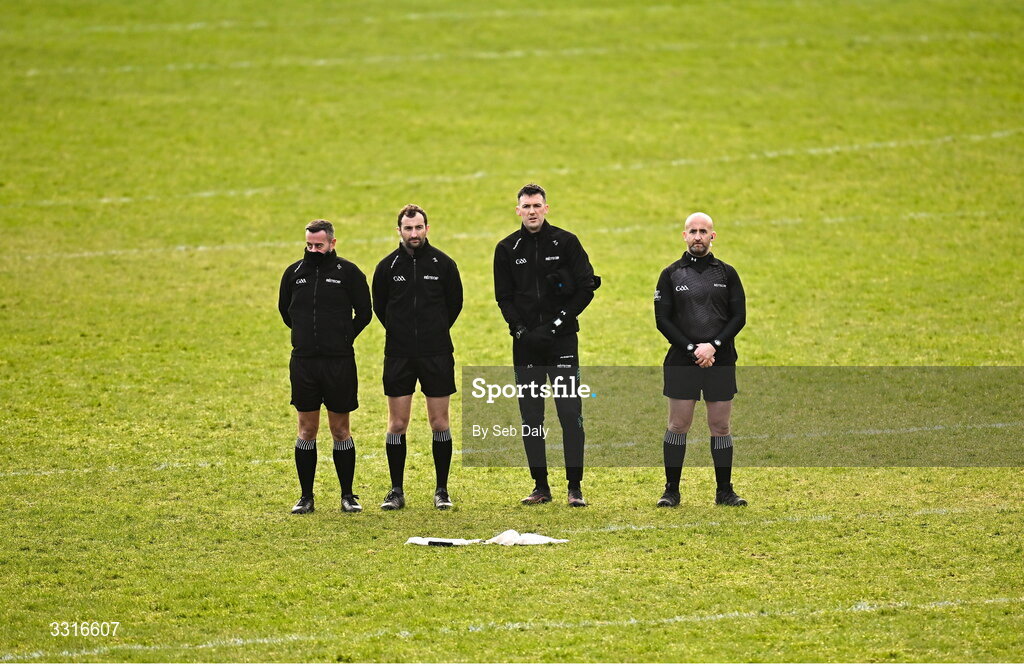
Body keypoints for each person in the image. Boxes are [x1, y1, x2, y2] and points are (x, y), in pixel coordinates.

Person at [493, 183, 599, 507]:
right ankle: (540, 486)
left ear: (546, 208)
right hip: (526, 345)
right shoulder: (506, 249)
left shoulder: (566, 242)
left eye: (537, 205)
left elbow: (587, 287)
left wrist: (556, 323)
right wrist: (522, 331)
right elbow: (504, 297)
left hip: (562, 341)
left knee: (570, 413)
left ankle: (575, 487)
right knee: (531, 417)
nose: (532, 211)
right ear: (518, 211)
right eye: (526, 206)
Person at [372, 205, 463, 510]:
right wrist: (402, 334)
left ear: (427, 228)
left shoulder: (444, 265)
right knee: (397, 423)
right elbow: (380, 307)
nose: (414, 234)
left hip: (437, 353)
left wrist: (433, 332)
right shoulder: (387, 268)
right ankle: (396, 491)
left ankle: (442, 491)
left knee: (439, 422)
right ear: (398, 231)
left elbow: (455, 304)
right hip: (398, 355)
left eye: (418, 228)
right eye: (408, 228)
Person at [653, 211, 747, 507]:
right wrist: (693, 349)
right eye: (692, 231)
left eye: (703, 231)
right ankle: (671, 491)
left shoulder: (727, 273)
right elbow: (662, 319)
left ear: (712, 236)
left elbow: (739, 316)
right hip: (682, 361)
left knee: (720, 426)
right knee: (678, 425)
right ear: (684, 235)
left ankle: (724, 491)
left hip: (721, 360)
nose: (697, 236)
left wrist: (714, 346)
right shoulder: (670, 274)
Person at [278, 219, 372, 514]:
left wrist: (343, 339)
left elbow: (365, 313)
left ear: (333, 242)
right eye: (309, 244)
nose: (314, 249)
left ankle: (348, 495)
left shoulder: (348, 272)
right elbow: (286, 311)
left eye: (319, 244)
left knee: (341, 430)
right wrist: (306, 337)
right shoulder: (294, 273)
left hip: (339, 363)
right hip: (304, 363)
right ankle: (306, 497)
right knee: (306, 430)